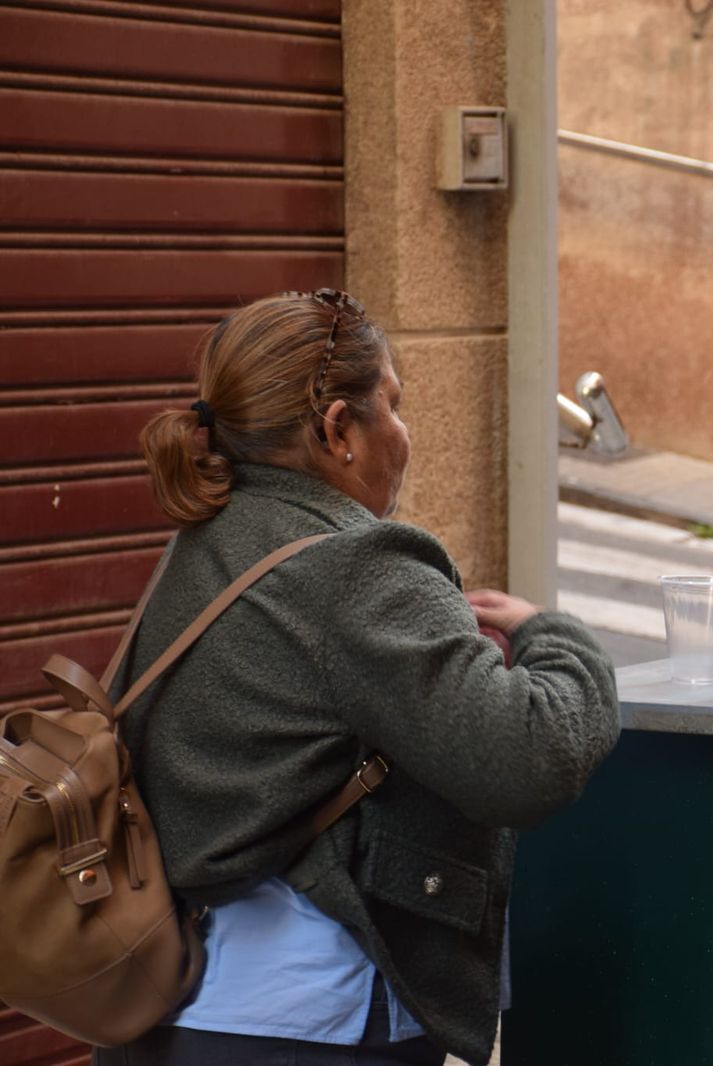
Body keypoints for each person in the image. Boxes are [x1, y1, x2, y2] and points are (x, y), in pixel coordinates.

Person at [100, 290, 620, 1066]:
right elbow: (527, 758)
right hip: (310, 1023)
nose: (406, 434)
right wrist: (558, 637)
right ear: (338, 428)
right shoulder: (358, 566)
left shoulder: (207, 542)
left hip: (175, 1012)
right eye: (394, 404)